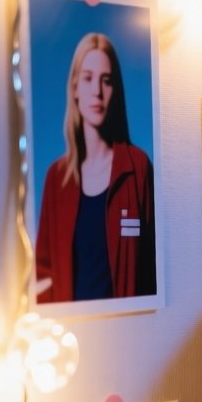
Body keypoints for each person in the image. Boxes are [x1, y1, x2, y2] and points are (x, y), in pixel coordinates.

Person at [33, 32, 157, 304]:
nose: (97, 91)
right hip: (70, 327)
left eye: (106, 80)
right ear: (75, 88)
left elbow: (153, 268)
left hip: (129, 325)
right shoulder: (56, 178)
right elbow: (43, 273)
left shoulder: (138, 167)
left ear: (116, 90)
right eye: (88, 78)